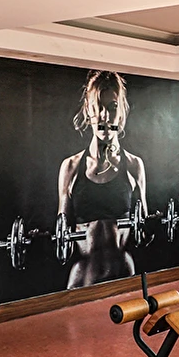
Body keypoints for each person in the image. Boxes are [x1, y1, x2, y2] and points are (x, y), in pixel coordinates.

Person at [57, 71, 148, 289]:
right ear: (88, 111)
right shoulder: (70, 167)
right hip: (83, 278)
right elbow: (60, 232)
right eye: (98, 107)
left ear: (121, 112)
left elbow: (144, 229)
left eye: (113, 107)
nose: (106, 117)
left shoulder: (134, 166)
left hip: (123, 272)